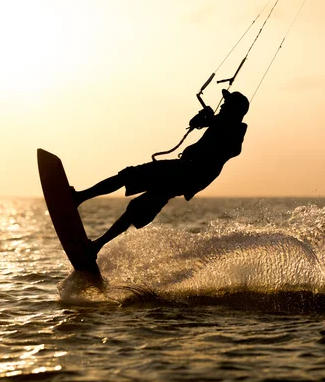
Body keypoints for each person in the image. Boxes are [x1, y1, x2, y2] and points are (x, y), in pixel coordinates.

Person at [73, 89, 249, 259]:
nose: (222, 105)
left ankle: (80, 199)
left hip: (184, 174)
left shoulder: (235, 134)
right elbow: (201, 122)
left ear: (235, 110)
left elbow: (225, 143)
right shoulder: (221, 122)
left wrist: (212, 120)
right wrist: (199, 121)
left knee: (129, 176)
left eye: (226, 103)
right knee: (137, 207)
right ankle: (95, 246)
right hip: (181, 173)